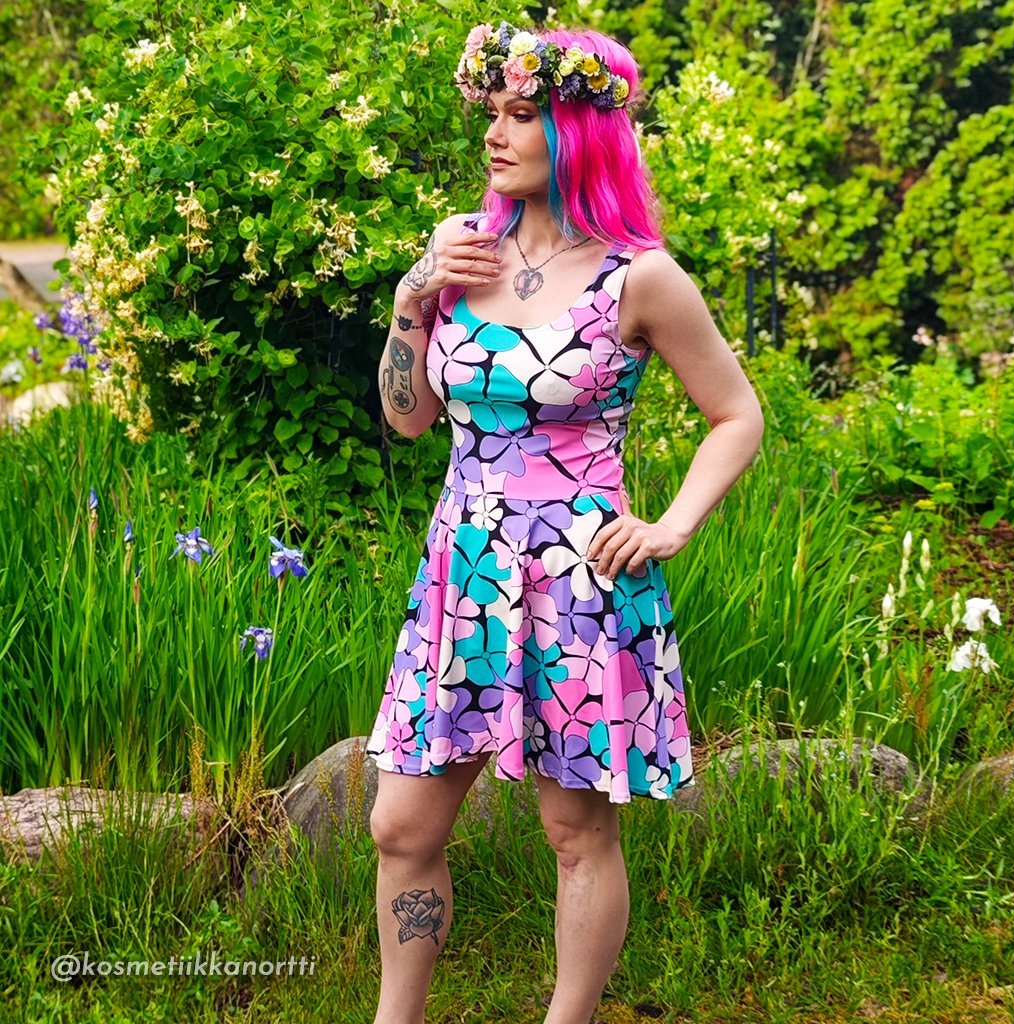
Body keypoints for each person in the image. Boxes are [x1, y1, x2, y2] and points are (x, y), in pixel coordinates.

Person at [366, 19, 764, 1024]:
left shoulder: (638, 275)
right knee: (400, 825)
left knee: (575, 832)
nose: (494, 133)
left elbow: (737, 414)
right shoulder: (459, 247)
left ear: (578, 132)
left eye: (521, 115)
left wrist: (671, 524)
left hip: (581, 581)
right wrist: (415, 294)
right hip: (463, 573)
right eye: (492, 112)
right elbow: (407, 418)